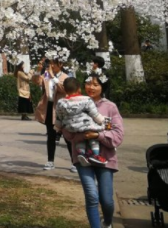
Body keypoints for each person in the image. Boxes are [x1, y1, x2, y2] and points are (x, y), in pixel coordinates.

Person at [63, 76, 124, 228]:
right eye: (88, 83)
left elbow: (117, 136)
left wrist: (98, 135)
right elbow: (67, 134)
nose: (91, 87)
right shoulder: (73, 104)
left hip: (105, 158)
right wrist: (80, 133)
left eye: (96, 84)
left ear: (103, 87)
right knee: (91, 196)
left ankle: (108, 222)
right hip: (82, 157)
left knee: (107, 200)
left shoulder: (110, 107)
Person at [55, 77, 107, 166]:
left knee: (80, 140)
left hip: (71, 127)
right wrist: (103, 120)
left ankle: (81, 154)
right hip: (85, 125)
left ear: (64, 89)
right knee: (93, 138)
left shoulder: (60, 102)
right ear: (79, 88)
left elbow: (59, 117)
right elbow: (94, 114)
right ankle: (96, 155)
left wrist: (57, 127)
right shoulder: (86, 99)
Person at [33, 57, 72, 171]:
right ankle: (50, 161)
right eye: (50, 64)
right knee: (51, 135)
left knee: (67, 135)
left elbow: (64, 89)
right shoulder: (46, 75)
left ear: (60, 64)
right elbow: (37, 81)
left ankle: (74, 162)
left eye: (53, 64)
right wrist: (37, 71)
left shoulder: (65, 77)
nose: (51, 66)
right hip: (49, 107)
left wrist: (53, 76)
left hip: (62, 108)